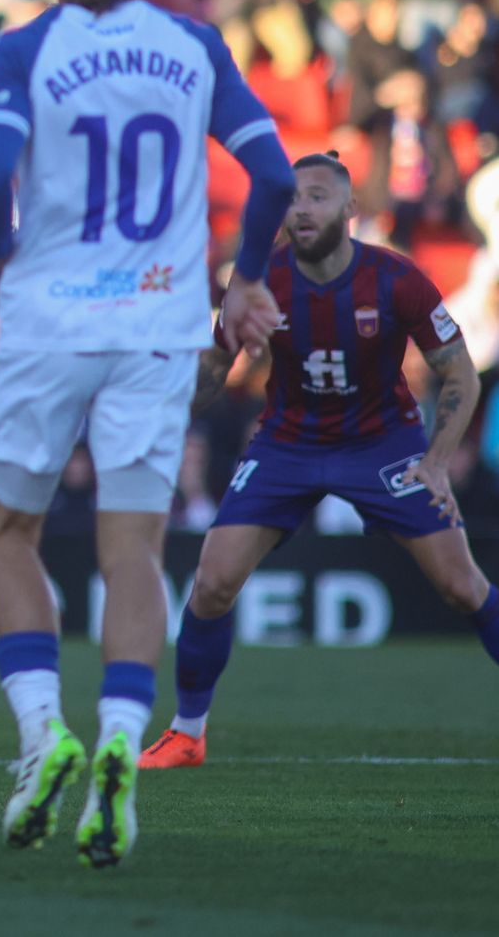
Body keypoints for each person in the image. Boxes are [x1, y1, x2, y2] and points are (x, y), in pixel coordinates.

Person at [0, 0, 295, 868]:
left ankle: (41, 738)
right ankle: (119, 735)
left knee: (9, 533)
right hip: (160, 321)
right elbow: (275, 173)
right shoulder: (192, 44)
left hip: (48, 323)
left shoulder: (19, 49)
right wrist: (242, 283)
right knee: (134, 549)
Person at [141, 152, 495, 769]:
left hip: (383, 445)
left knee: (463, 587)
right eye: (293, 199)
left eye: (317, 197)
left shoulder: (396, 279)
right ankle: (188, 733)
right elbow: (216, 369)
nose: (301, 210)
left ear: (350, 209)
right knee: (213, 582)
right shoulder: (260, 282)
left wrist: (438, 461)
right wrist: (161, 406)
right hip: (289, 442)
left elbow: (458, 373)